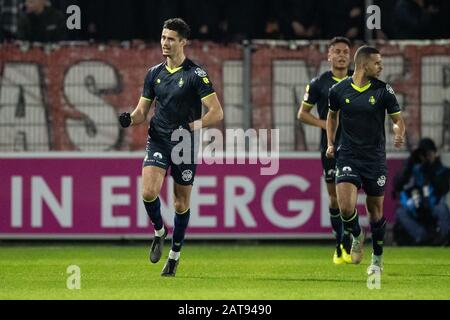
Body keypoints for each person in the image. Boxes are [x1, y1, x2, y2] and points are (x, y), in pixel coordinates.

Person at [118, 18, 223, 276]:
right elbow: (142, 111)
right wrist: (130, 119)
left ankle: (174, 255)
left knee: (180, 204)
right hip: (159, 139)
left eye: (171, 39)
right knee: (148, 192)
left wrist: (192, 127)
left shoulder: (196, 75)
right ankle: (159, 231)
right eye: (163, 37)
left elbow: (216, 113)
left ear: (183, 42)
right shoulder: (154, 73)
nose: (165, 43)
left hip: (184, 143)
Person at [326, 45, 405, 275]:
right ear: (364, 65)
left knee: (375, 212)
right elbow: (332, 116)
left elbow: (398, 120)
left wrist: (399, 132)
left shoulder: (384, 91)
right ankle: (357, 235)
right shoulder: (338, 90)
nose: (381, 67)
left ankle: (377, 259)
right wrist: (331, 143)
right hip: (348, 154)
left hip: (375, 159)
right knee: (346, 207)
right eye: (377, 63)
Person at [298, 37, 353, 265]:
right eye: (337, 51)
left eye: (345, 52)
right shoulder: (319, 83)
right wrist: (326, 125)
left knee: (349, 196)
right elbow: (302, 114)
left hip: (355, 146)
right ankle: (341, 242)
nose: (341, 55)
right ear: (329, 55)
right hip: (330, 146)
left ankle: (349, 239)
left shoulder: (359, 80)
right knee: (334, 198)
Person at [394, 138, 450, 246]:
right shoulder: (415, 169)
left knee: (442, 208)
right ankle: (422, 237)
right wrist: (409, 164)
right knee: (401, 212)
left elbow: (442, 188)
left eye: (428, 153)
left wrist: (430, 168)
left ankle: (445, 238)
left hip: (434, 205)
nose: (426, 157)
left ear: (435, 153)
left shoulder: (443, 171)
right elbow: (398, 184)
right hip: (417, 205)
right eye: (423, 154)